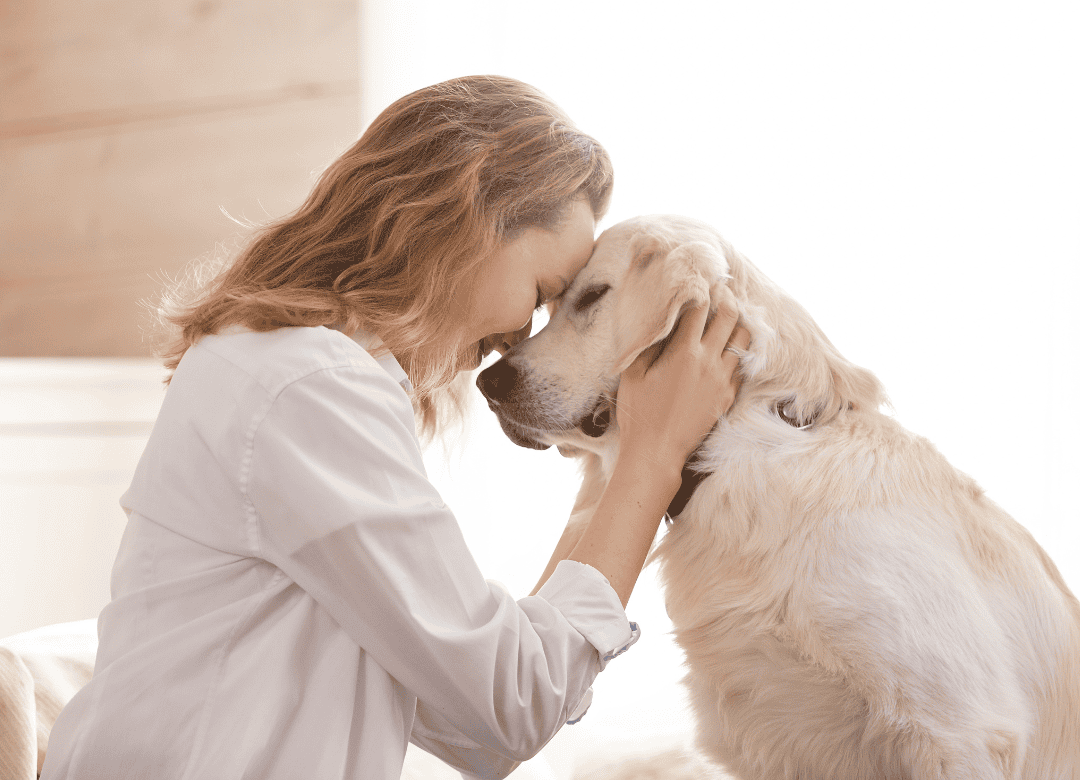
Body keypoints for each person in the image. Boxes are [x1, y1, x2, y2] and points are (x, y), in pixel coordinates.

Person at [40, 75, 749, 780]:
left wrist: (618, 457)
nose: (518, 341)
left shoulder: (288, 368)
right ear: (468, 217)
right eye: (540, 295)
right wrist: (650, 462)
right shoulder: (308, 386)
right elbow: (512, 703)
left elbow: (483, 733)